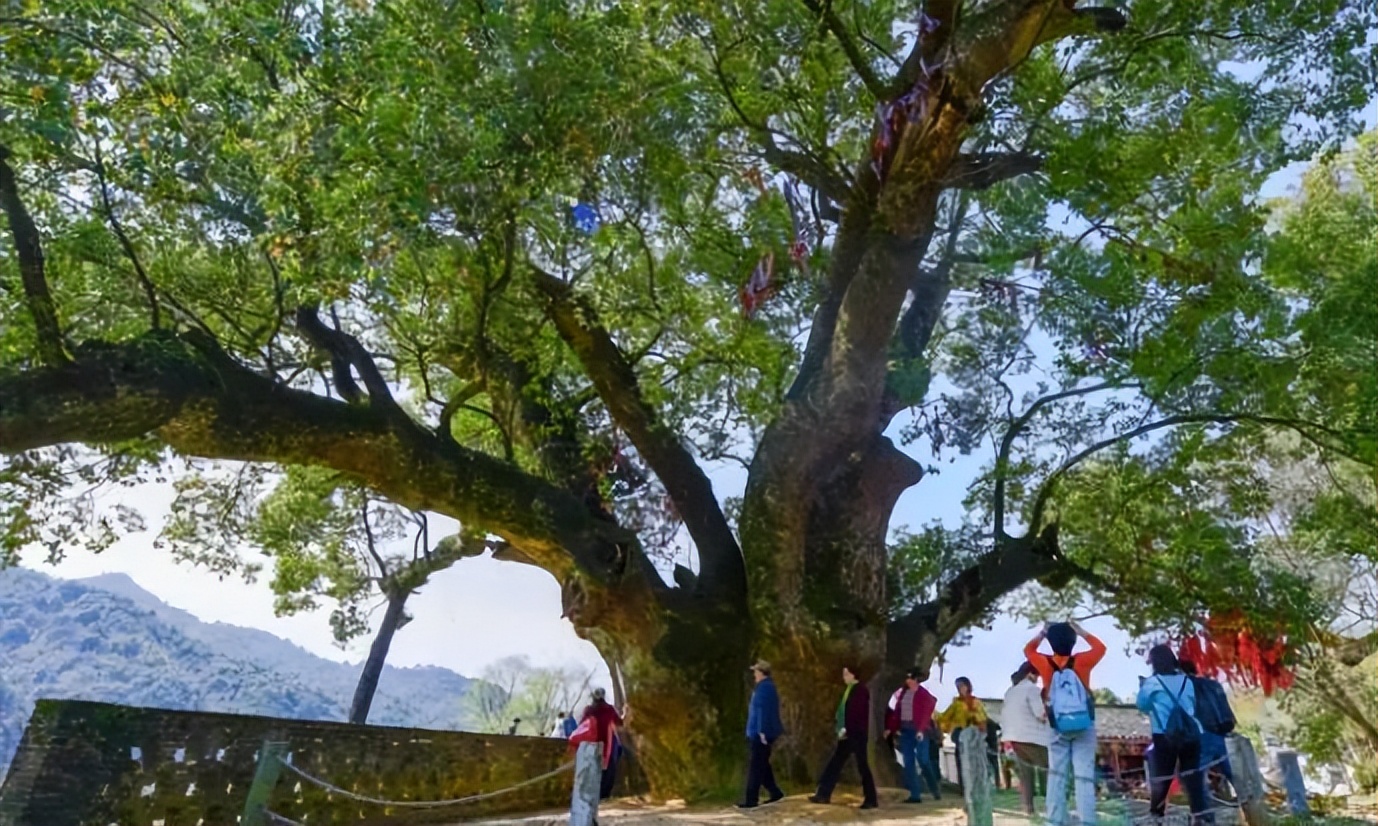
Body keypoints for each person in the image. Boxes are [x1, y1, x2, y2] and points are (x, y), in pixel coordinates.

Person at [1026, 620, 1107, 826]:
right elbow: (1101, 648)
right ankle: (1087, 820)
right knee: (1084, 776)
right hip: (1084, 724)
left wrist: (1043, 633)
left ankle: (1055, 820)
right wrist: (1081, 632)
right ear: (1073, 642)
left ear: (1051, 643)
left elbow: (1028, 649)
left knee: (1057, 774)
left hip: (1057, 725)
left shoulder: (1045, 664)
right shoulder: (1082, 662)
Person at [1137, 645, 1208, 823]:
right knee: (1193, 778)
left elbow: (1142, 705)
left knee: (1162, 778)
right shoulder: (1187, 681)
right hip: (1191, 734)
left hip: (1164, 735)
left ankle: (1157, 816)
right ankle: (1199, 816)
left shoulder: (1153, 683)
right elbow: (1194, 704)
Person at [809, 665, 878, 809]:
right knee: (835, 763)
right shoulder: (849, 690)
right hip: (847, 734)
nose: (844, 676)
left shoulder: (860, 690)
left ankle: (871, 799)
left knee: (862, 765)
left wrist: (847, 728)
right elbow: (844, 710)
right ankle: (823, 794)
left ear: (854, 675)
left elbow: (856, 713)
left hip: (856, 734)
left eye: (846, 673)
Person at [885, 667, 940, 803]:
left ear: (916, 679)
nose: (907, 680)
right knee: (908, 762)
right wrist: (891, 729)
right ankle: (915, 794)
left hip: (920, 731)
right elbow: (898, 713)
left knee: (923, 760)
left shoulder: (924, 695)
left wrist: (921, 730)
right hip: (906, 731)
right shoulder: (903, 694)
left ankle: (934, 788)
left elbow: (926, 714)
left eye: (910, 678)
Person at [1003, 661, 1051, 815]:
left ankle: (1028, 807)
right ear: (1031, 673)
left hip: (1014, 736)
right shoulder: (1032, 689)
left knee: (1026, 775)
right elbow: (1040, 715)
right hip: (1033, 737)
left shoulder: (1010, 692)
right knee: (1048, 771)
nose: (1038, 678)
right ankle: (1051, 805)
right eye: (1037, 675)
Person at [1180, 661, 1234, 793]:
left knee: (1195, 779)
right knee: (1234, 774)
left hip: (1201, 735)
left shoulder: (1184, 688)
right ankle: (1254, 806)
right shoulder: (1213, 685)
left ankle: (1204, 812)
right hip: (1222, 734)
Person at [737, 660, 785, 809]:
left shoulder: (765, 688)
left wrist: (761, 731)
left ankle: (751, 799)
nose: (754, 674)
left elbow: (763, 712)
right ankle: (775, 792)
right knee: (762, 764)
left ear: (762, 672)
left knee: (756, 766)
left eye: (756, 672)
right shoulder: (764, 687)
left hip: (761, 733)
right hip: (758, 732)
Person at [936, 676, 988, 792]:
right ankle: (964, 787)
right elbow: (945, 717)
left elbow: (983, 718)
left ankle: (978, 786)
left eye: (962, 686)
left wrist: (975, 718)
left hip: (974, 735)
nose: (960, 689)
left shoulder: (976, 702)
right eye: (958, 687)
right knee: (961, 760)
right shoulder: (956, 704)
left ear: (968, 686)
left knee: (976, 761)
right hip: (961, 734)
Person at [581, 688, 624, 800]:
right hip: (605, 744)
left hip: (594, 743)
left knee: (596, 769)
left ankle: (596, 794)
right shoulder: (608, 709)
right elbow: (620, 723)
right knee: (608, 769)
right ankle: (603, 794)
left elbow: (582, 725)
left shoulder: (589, 710)